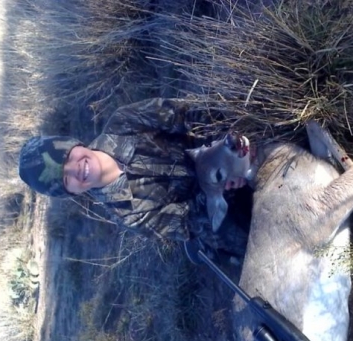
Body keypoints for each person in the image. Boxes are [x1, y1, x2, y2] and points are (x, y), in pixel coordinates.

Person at [19, 97, 248, 254]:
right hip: (219, 201)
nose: (75, 169)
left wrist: (226, 139)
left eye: (67, 157)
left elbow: (187, 114)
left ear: (74, 144)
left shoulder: (124, 121)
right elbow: (191, 222)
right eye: (66, 179)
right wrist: (222, 189)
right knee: (238, 235)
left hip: (224, 143)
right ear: (72, 192)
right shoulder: (128, 215)